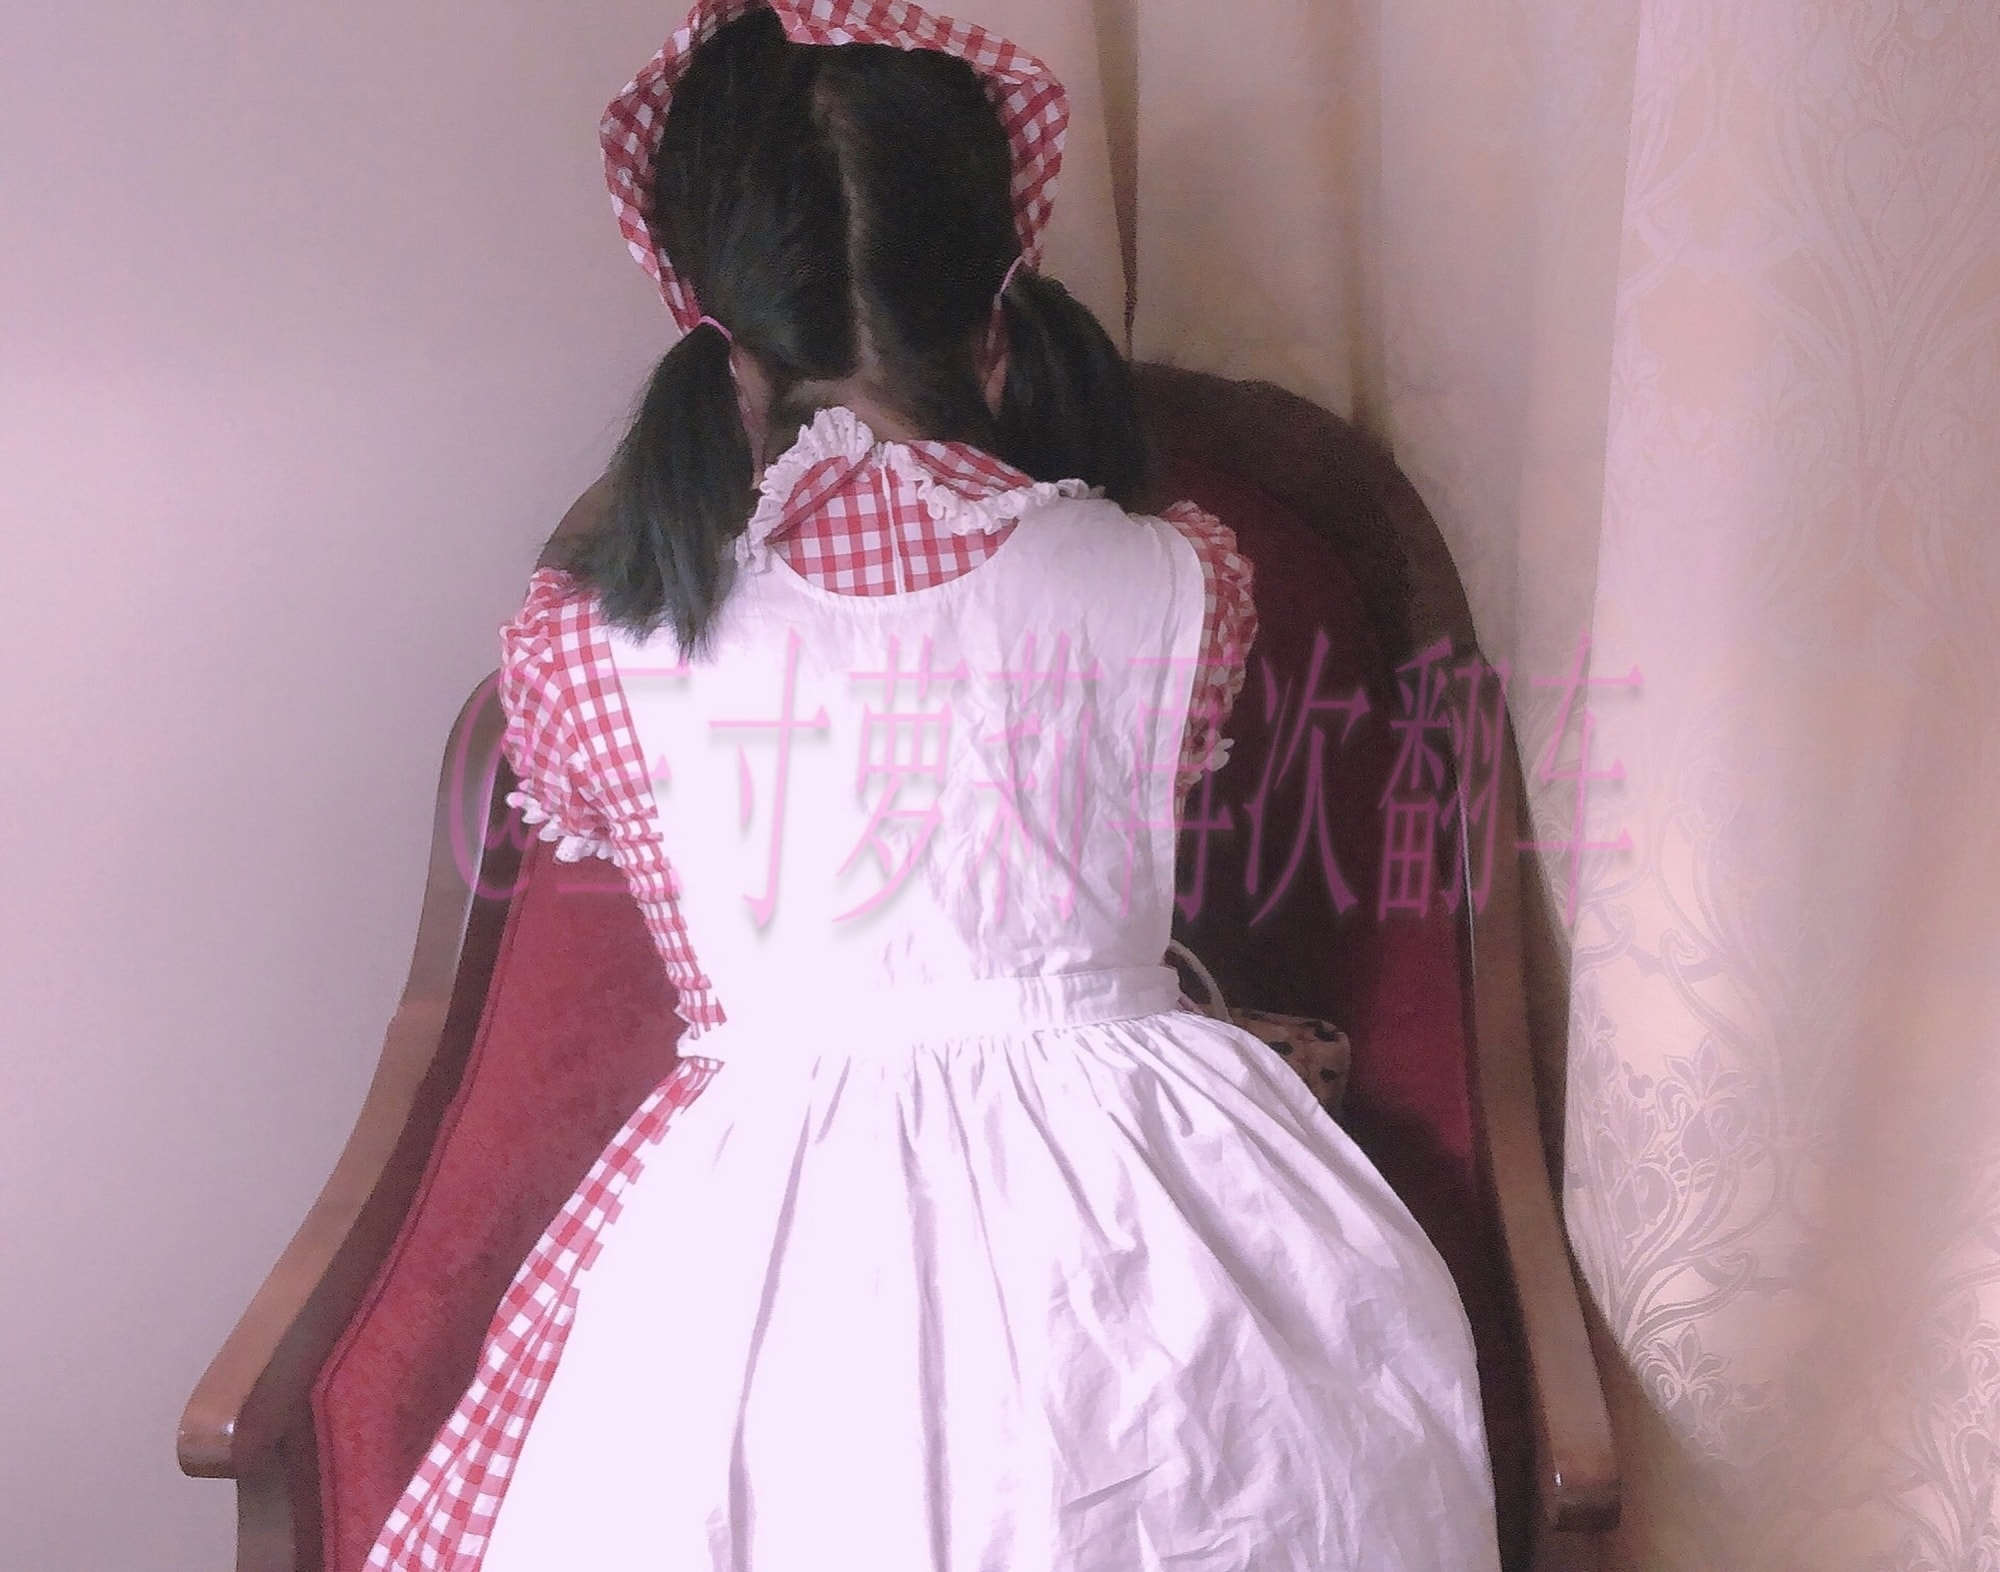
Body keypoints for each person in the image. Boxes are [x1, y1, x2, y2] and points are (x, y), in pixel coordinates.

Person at [368, 3, 1500, 1568]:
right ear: (997, 313)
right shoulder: (1179, 580)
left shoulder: (597, 647)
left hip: (763, 1234)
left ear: (721, 340)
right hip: (1169, 1227)